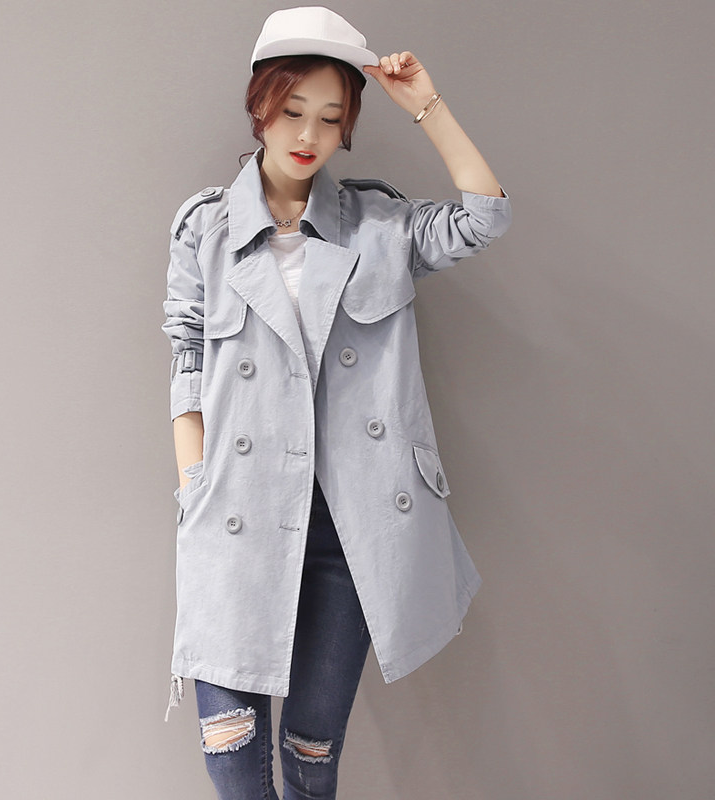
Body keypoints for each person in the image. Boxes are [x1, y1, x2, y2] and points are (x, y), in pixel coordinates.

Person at [161, 6, 512, 798]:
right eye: (292, 110)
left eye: (330, 116)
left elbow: (485, 215)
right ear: (259, 104)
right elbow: (185, 360)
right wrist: (193, 489)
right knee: (231, 754)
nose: (308, 134)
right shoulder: (204, 230)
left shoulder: (379, 225)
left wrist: (426, 104)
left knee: (311, 758)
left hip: (349, 530)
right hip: (235, 514)